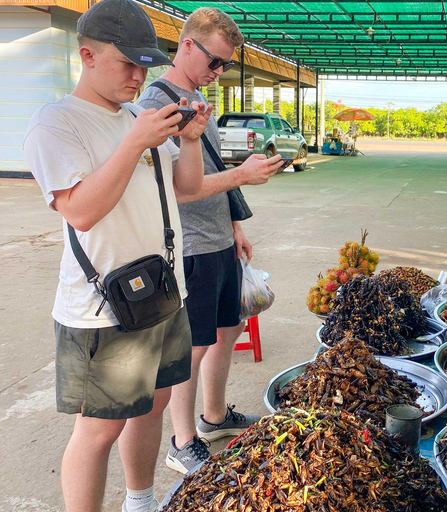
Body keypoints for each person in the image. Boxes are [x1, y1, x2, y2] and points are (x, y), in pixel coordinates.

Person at [23, 0, 212, 510]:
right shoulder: (57, 123)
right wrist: (133, 144)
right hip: (104, 308)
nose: (137, 75)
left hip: (164, 291)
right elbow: (80, 211)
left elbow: (186, 189)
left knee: (154, 404)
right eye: (125, 62)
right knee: (98, 431)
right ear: (86, 54)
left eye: (144, 63)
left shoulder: (138, 116)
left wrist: (190, 140)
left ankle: (141, 499)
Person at [137, 7, 285, 474]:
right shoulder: (156, 105)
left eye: (225, 66)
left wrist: (236, 225)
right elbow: (176, 191)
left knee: (229, 328)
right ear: (185, 45)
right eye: (214, 62)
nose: (217, 73)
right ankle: (182, 442)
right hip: (189, 246)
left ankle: (214, 416)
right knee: (192, 347)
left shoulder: (197, 99)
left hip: (218, 237)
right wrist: (243, 174)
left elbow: (214, 171)